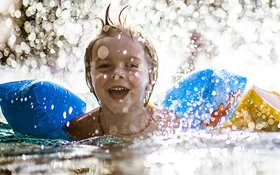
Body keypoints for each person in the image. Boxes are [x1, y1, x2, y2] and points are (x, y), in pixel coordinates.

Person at [64, 5, 180, 140]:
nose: (117, 73)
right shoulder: (80, 130)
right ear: (90, 79)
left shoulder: (169, 126)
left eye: (131, 65)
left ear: (151, 78)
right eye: (105, 65)